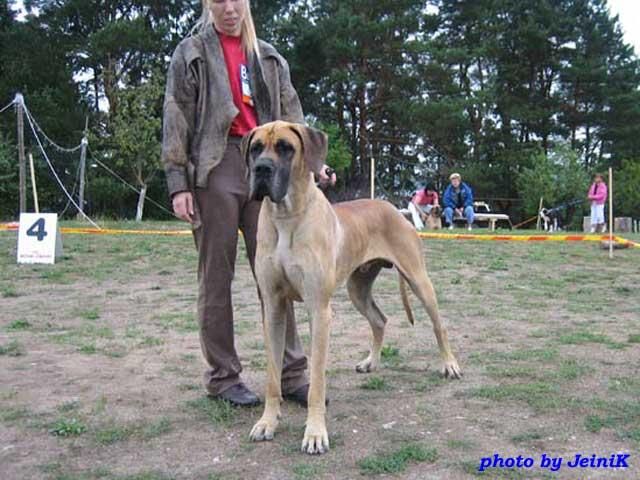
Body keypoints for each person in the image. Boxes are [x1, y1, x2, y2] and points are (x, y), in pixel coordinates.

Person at [162, 0, 335, 407]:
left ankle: (292, 375)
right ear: (208, 4)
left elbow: (293, 114)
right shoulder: (191, 52)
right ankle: (223, 378)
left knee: (282, 276)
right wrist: (178, 183)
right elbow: (176, 114)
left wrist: (314, 165)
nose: (229, 8)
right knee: (216, 277)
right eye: (219, 0)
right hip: (216, 164)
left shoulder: (269, 57)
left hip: (271, 164)